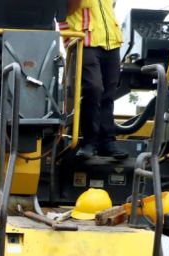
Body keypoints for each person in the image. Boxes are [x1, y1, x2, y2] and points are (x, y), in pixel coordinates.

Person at [61, 0, 127, 160]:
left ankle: (107, 142)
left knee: (109, 94)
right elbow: (63, 11)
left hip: (111, 41)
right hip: (84, 40)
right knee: (93, 88)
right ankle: (89, 141)